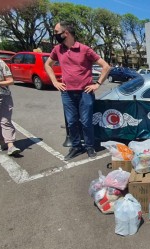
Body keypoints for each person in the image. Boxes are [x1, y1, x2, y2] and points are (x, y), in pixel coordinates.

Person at [44, 21, 110, 161]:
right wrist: (55, 82)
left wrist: (97, 84)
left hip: (85, 93)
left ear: (65, 33)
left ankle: (89, 146)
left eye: (57, 32)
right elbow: (47, 64)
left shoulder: (85, 49)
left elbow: (106, 66)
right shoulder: (57, 49)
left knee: (86, 122)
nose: (55, 35)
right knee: (72, 122)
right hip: (67, 93)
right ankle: (75, 147)